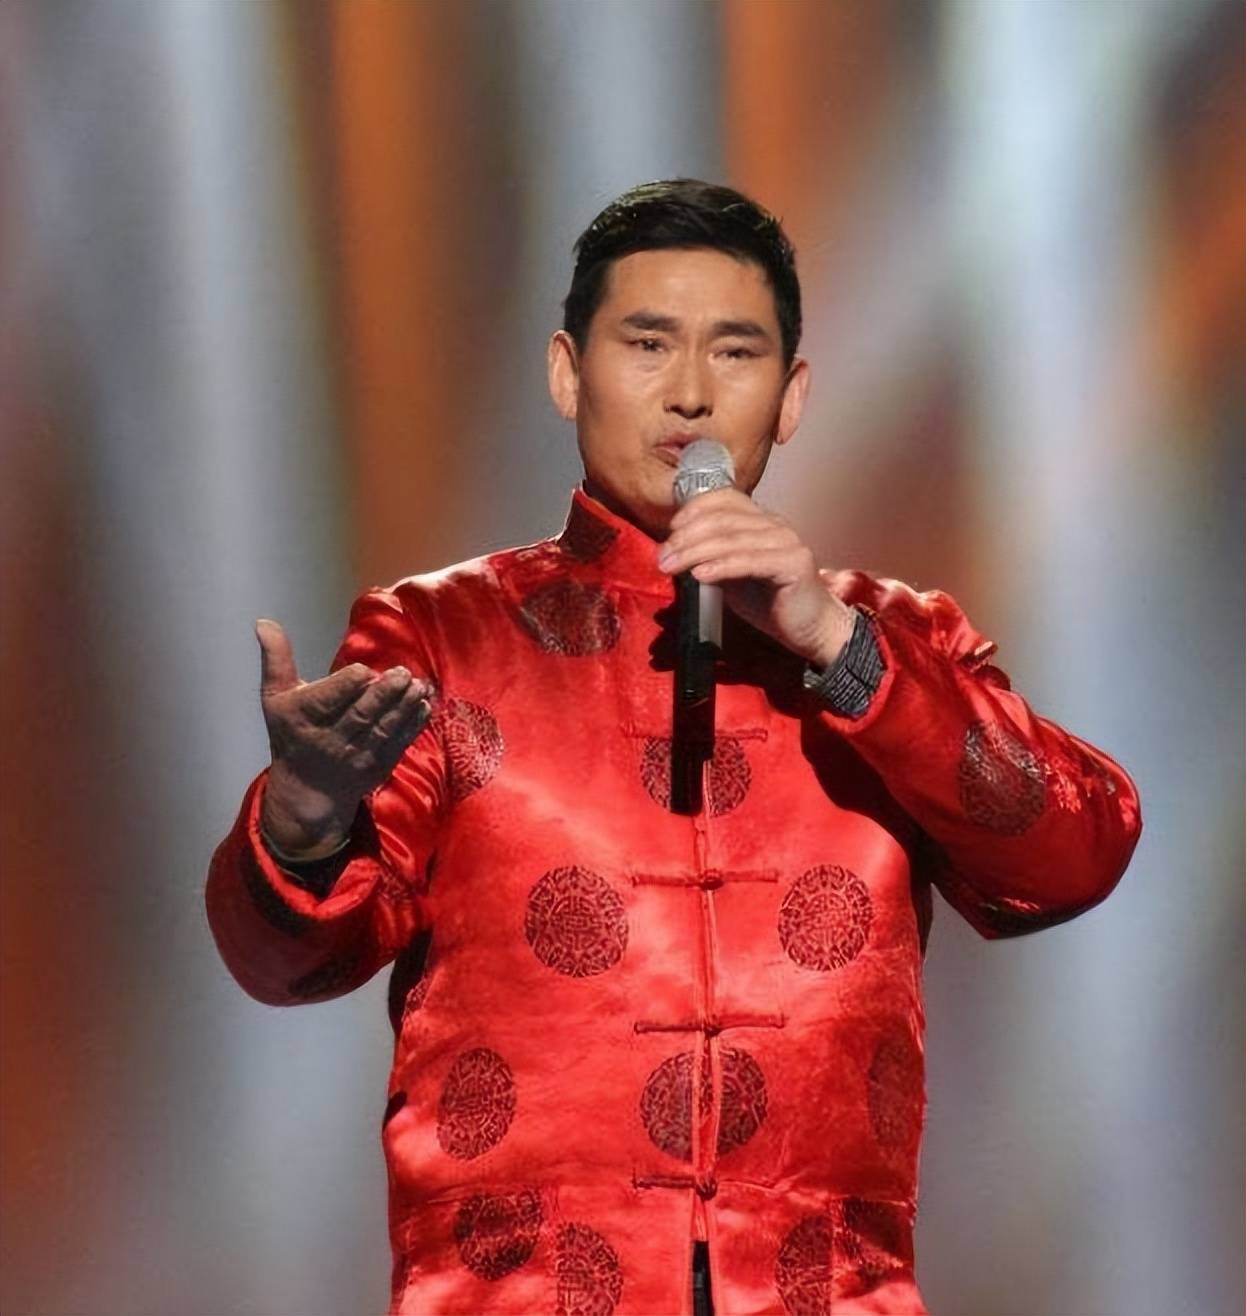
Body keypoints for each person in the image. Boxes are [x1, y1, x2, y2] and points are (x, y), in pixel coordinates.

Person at [206, 179, 1142, 1316]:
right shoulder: (441, 637)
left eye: (735, 352)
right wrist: (303, 818)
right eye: (646, 344)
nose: (690, 392)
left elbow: (1073, 852)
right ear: (567, 372)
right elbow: (285, 966)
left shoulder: (895, 639)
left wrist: (837, 646)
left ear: (792, 397)